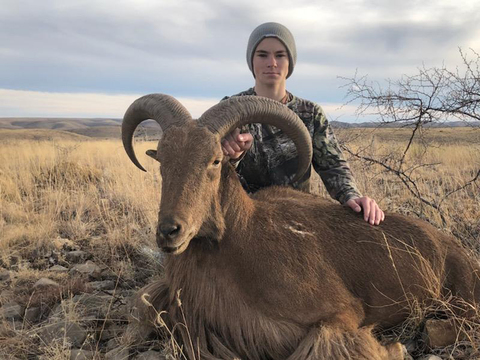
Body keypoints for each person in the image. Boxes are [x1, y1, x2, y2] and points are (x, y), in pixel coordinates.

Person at [221, 22, 384, 225]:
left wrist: (351, 196)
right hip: (241, 222)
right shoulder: (229, 109)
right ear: (251, 61)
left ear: (290, 61)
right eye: (262, 55)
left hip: (295, 221)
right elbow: (207, 170)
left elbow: (332, 166)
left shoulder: (310, 114)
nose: (272, 62)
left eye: (280, 55)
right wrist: (231, 157)